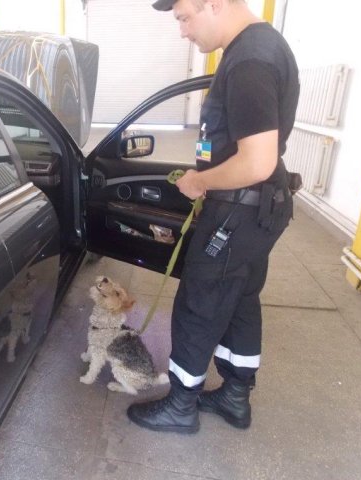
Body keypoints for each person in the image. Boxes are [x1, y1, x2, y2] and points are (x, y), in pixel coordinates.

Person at [127, 0, 299, 433]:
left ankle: (181, 405)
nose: (183, 31)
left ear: (214, 3)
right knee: (240, 299)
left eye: (184, 17)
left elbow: (256, 161)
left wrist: (202, 183)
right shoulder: (261, 47)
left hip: (238, 211)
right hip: (259, 208)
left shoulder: (249, 60)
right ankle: (235, 397)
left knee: (199, 303)